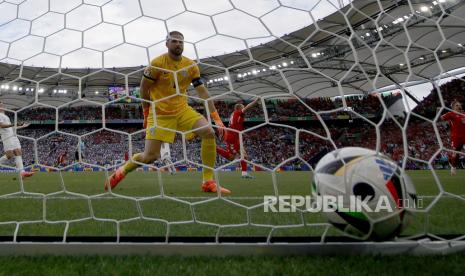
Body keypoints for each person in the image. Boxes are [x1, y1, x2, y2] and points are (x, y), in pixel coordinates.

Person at [105, 31, 229, 193]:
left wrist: (216, 117)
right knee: (150, 157)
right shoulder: (157, 64)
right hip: (160, 114)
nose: (178, 44)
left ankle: (208, 182)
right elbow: (144, 88)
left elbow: (202, 92)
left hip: (182, 110)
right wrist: (146, 112)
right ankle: (121, 172)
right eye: (175, 41)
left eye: (181, 42)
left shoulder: (191, 66)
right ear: (167, 43)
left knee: (208, 132)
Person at [216, 98, 259, 178]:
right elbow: (247, 107)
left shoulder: (234, 113)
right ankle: (215, 148)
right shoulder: (238, 112)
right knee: (231, 157)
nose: (244, 108)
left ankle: (244, 174)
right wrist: (256, 101)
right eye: (243, 107)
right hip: (232, 137)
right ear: (240, 108)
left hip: (235, 136)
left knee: (244, 155)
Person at [0, 101, 34, 178]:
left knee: (18, 152)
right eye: (1, 104)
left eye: (2, 103)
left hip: (13, 136)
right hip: (7, 136)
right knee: (9, 155)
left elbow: (11, 127)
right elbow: (1, 126)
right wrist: (14, 124)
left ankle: (22, 173)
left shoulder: (5, 116)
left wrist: (22, 126)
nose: (2, 105)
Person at [441, 100, 465, 175]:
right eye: (457, 105)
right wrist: (438, 111)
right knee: (455, 154)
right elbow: (441, 118)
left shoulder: (464, 114)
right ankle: (453, 166)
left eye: (459, 105)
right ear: (453, 107)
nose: (459, 106)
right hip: (456, 137)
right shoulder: (451, 114)